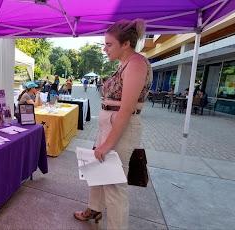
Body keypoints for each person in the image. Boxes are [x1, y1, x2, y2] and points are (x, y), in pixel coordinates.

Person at [73, 19, 152, 229]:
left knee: (114, 183)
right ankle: (94, 209)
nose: (104, 49)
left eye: (109, 44)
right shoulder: (125, 63)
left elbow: (126, 109)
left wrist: (107, 144)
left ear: (125, 44)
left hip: (120, 124)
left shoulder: (136, 63)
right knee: (98, 171)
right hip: (110, 123)